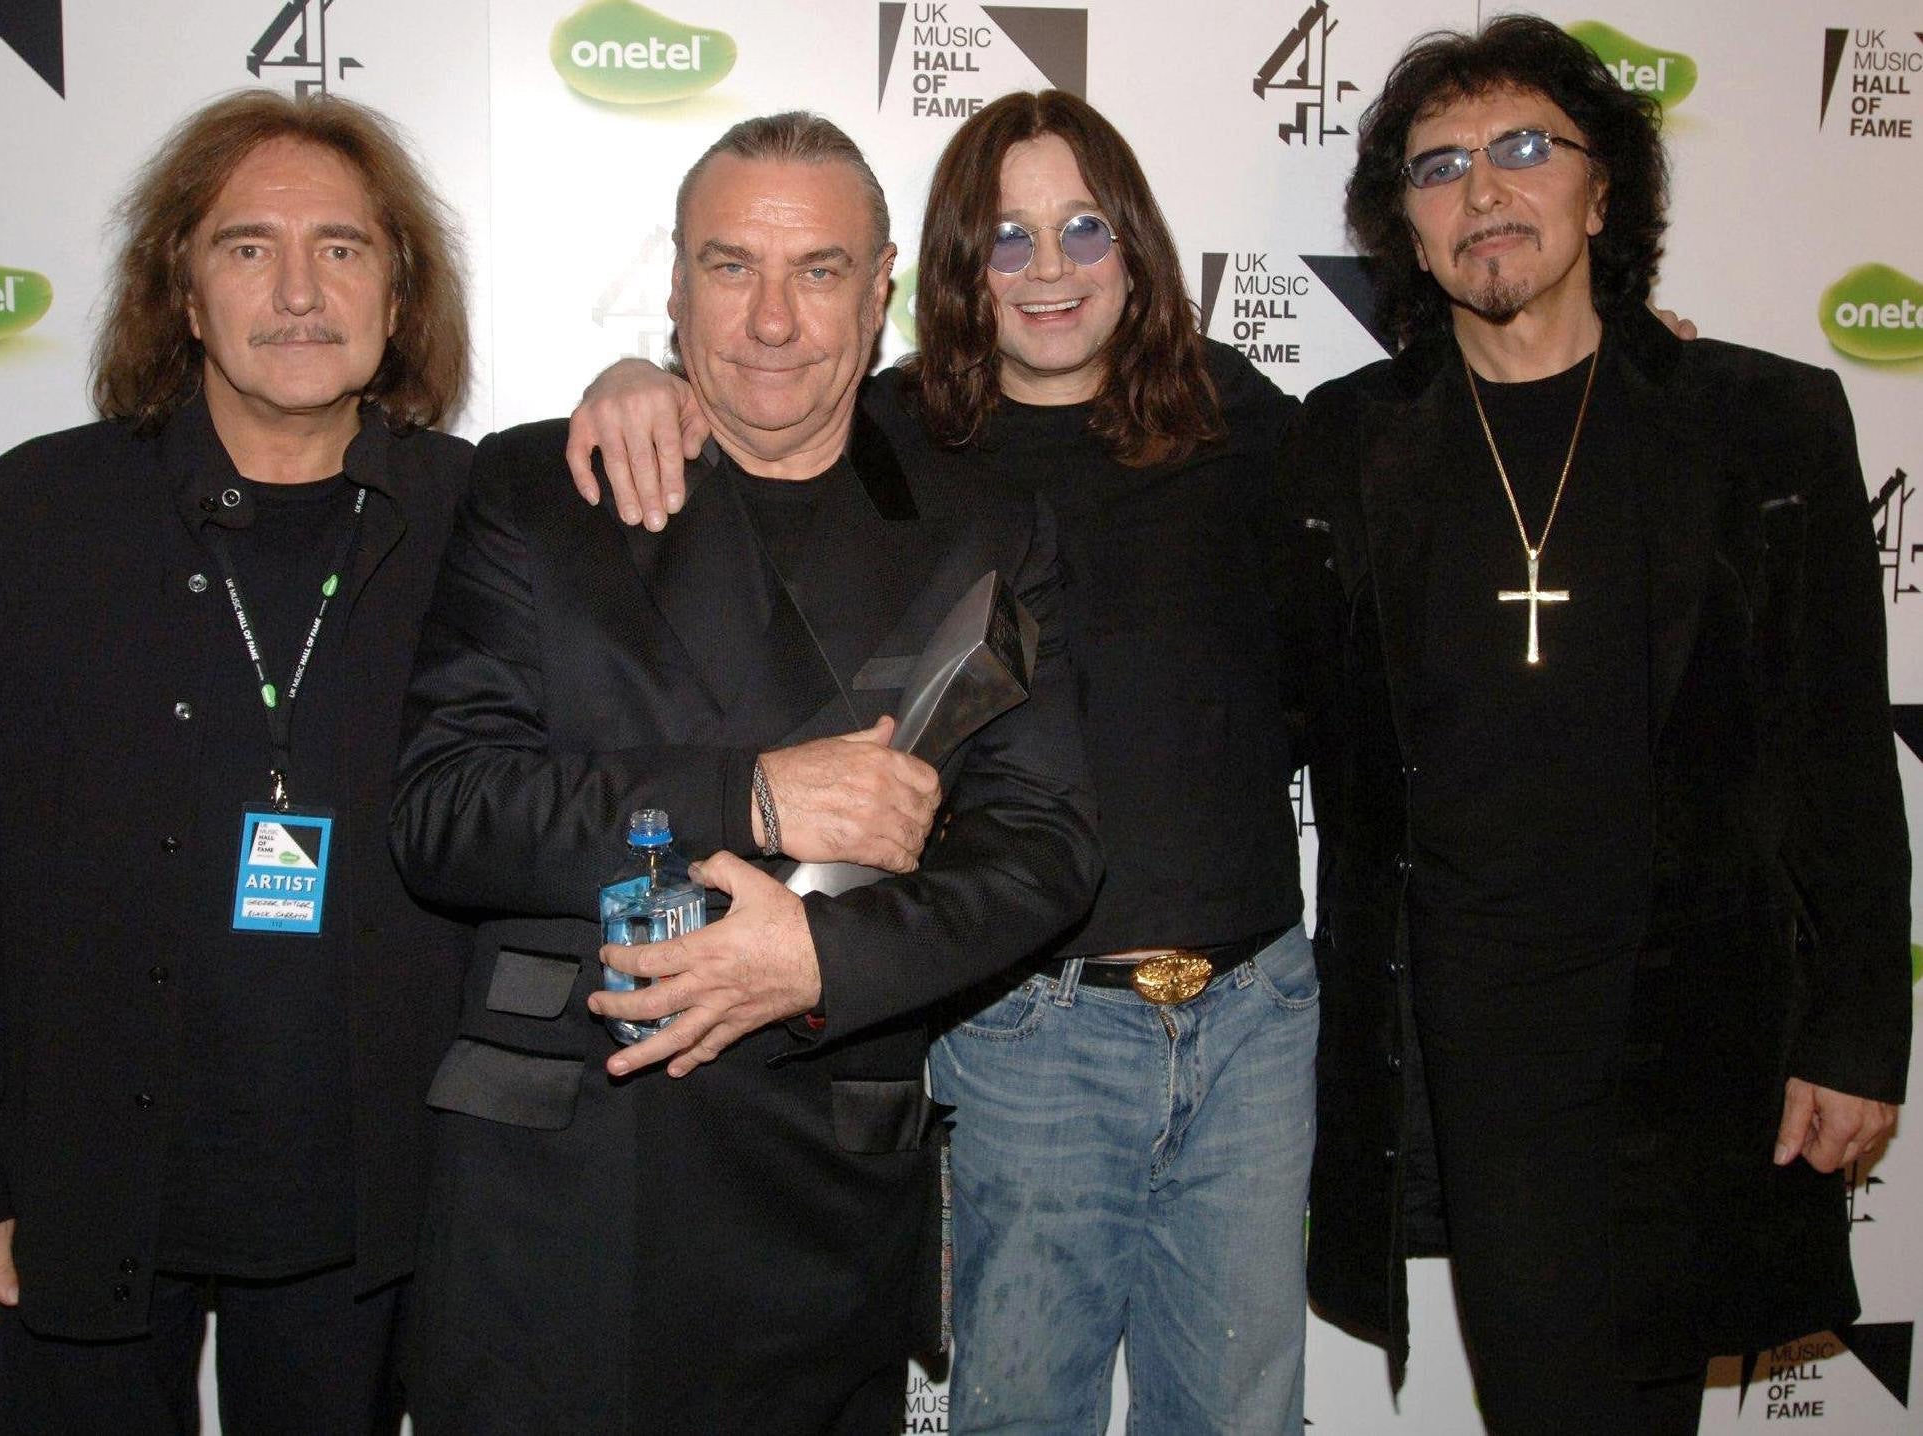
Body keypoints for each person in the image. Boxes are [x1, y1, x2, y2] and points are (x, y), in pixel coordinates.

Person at [566, 90, 1315, 1434]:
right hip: (1027, 1026)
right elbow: (745, 420)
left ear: (1135, 246)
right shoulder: (896, 437)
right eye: (1004, 236)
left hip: (1255, 1021)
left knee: (1243, 1419)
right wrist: (637, 382)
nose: (1045, 269)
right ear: (954, 270)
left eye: (1083, 227)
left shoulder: (1245, 427)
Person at [389, 111, 1100, 1435]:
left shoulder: (984, 525)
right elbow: (444, 813)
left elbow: (1046, 849)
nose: (773, 321)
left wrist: (825, 964)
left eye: (819, 271)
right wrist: (749, 794)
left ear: (881, 286)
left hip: (819, 1204)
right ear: (671, 282)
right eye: (731, 267)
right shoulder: (542, 488)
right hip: (560, 1205)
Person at [1275, 16, 1909, 1433]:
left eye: (1522, 149)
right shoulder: (1343, 441)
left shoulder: (1765, 426)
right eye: (1438, 168)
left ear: (1601, 189)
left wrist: (1860, 1035)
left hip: (1696, 1029)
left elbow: (1840, 756)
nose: (1483, 192)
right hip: (1471, 1045)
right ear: (1408, 230)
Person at [0, 90, 474, 1434]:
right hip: (80, 1186)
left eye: (344, 247)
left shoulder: (478, 524)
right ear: (184, 294)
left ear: (398, 289)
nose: (301, 291)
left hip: (369, 1215)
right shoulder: (34, 519)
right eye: (248, 247)